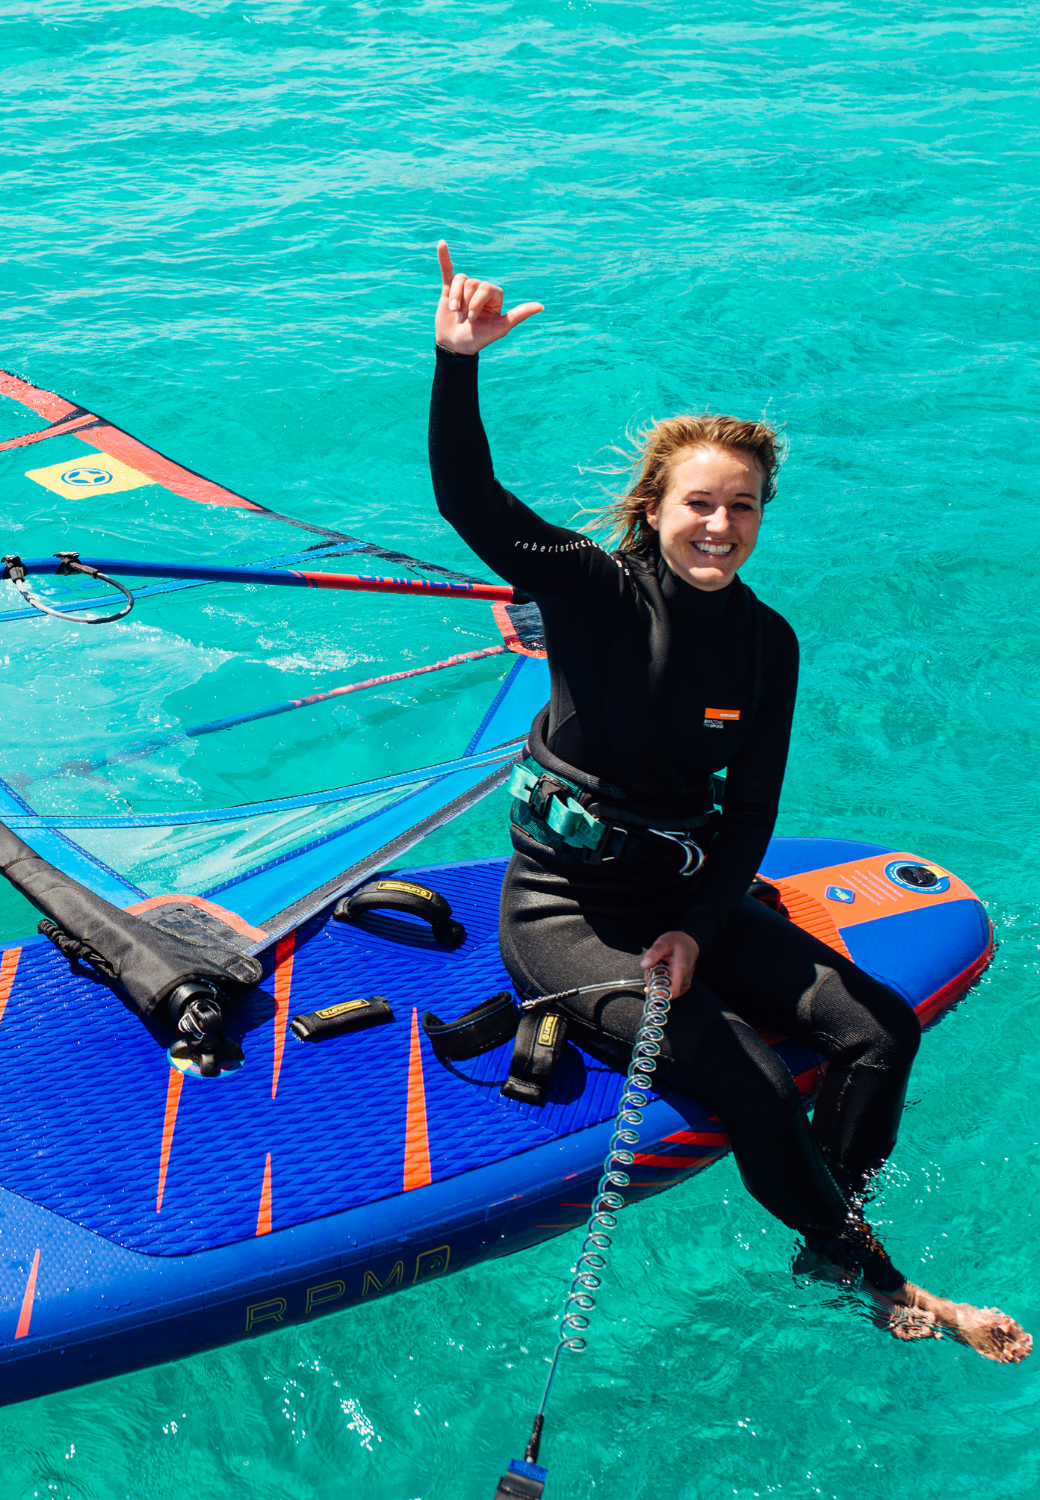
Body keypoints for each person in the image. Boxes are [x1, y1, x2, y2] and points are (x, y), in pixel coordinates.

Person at [426, 240, 1027, 1363]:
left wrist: (697, 930)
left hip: (685, 895)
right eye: (698, 504)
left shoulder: (765, 644)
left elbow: (749, 811)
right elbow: (467, 496)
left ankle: (823, 1230)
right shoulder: (594, 593)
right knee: (753, 1083)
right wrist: (456, 361)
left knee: (875, 1030)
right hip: (564, 912)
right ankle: (883, 1277)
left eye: (741, 507)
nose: (719, 525)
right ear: (653, 509)